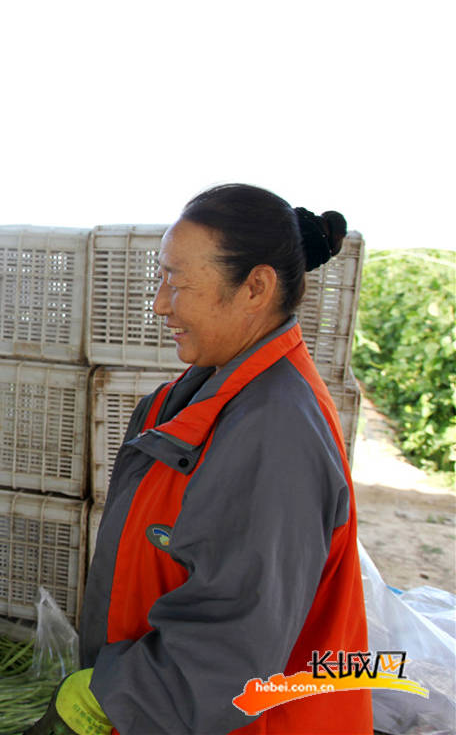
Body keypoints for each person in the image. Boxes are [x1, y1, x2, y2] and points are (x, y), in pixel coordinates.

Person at [52, 184, 372, 734]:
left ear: (256, 287)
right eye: (161, 278)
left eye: (177, 283)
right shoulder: (215, 391)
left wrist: (117, 692)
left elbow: (231, 645)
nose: (160, 303)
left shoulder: (277, 431)